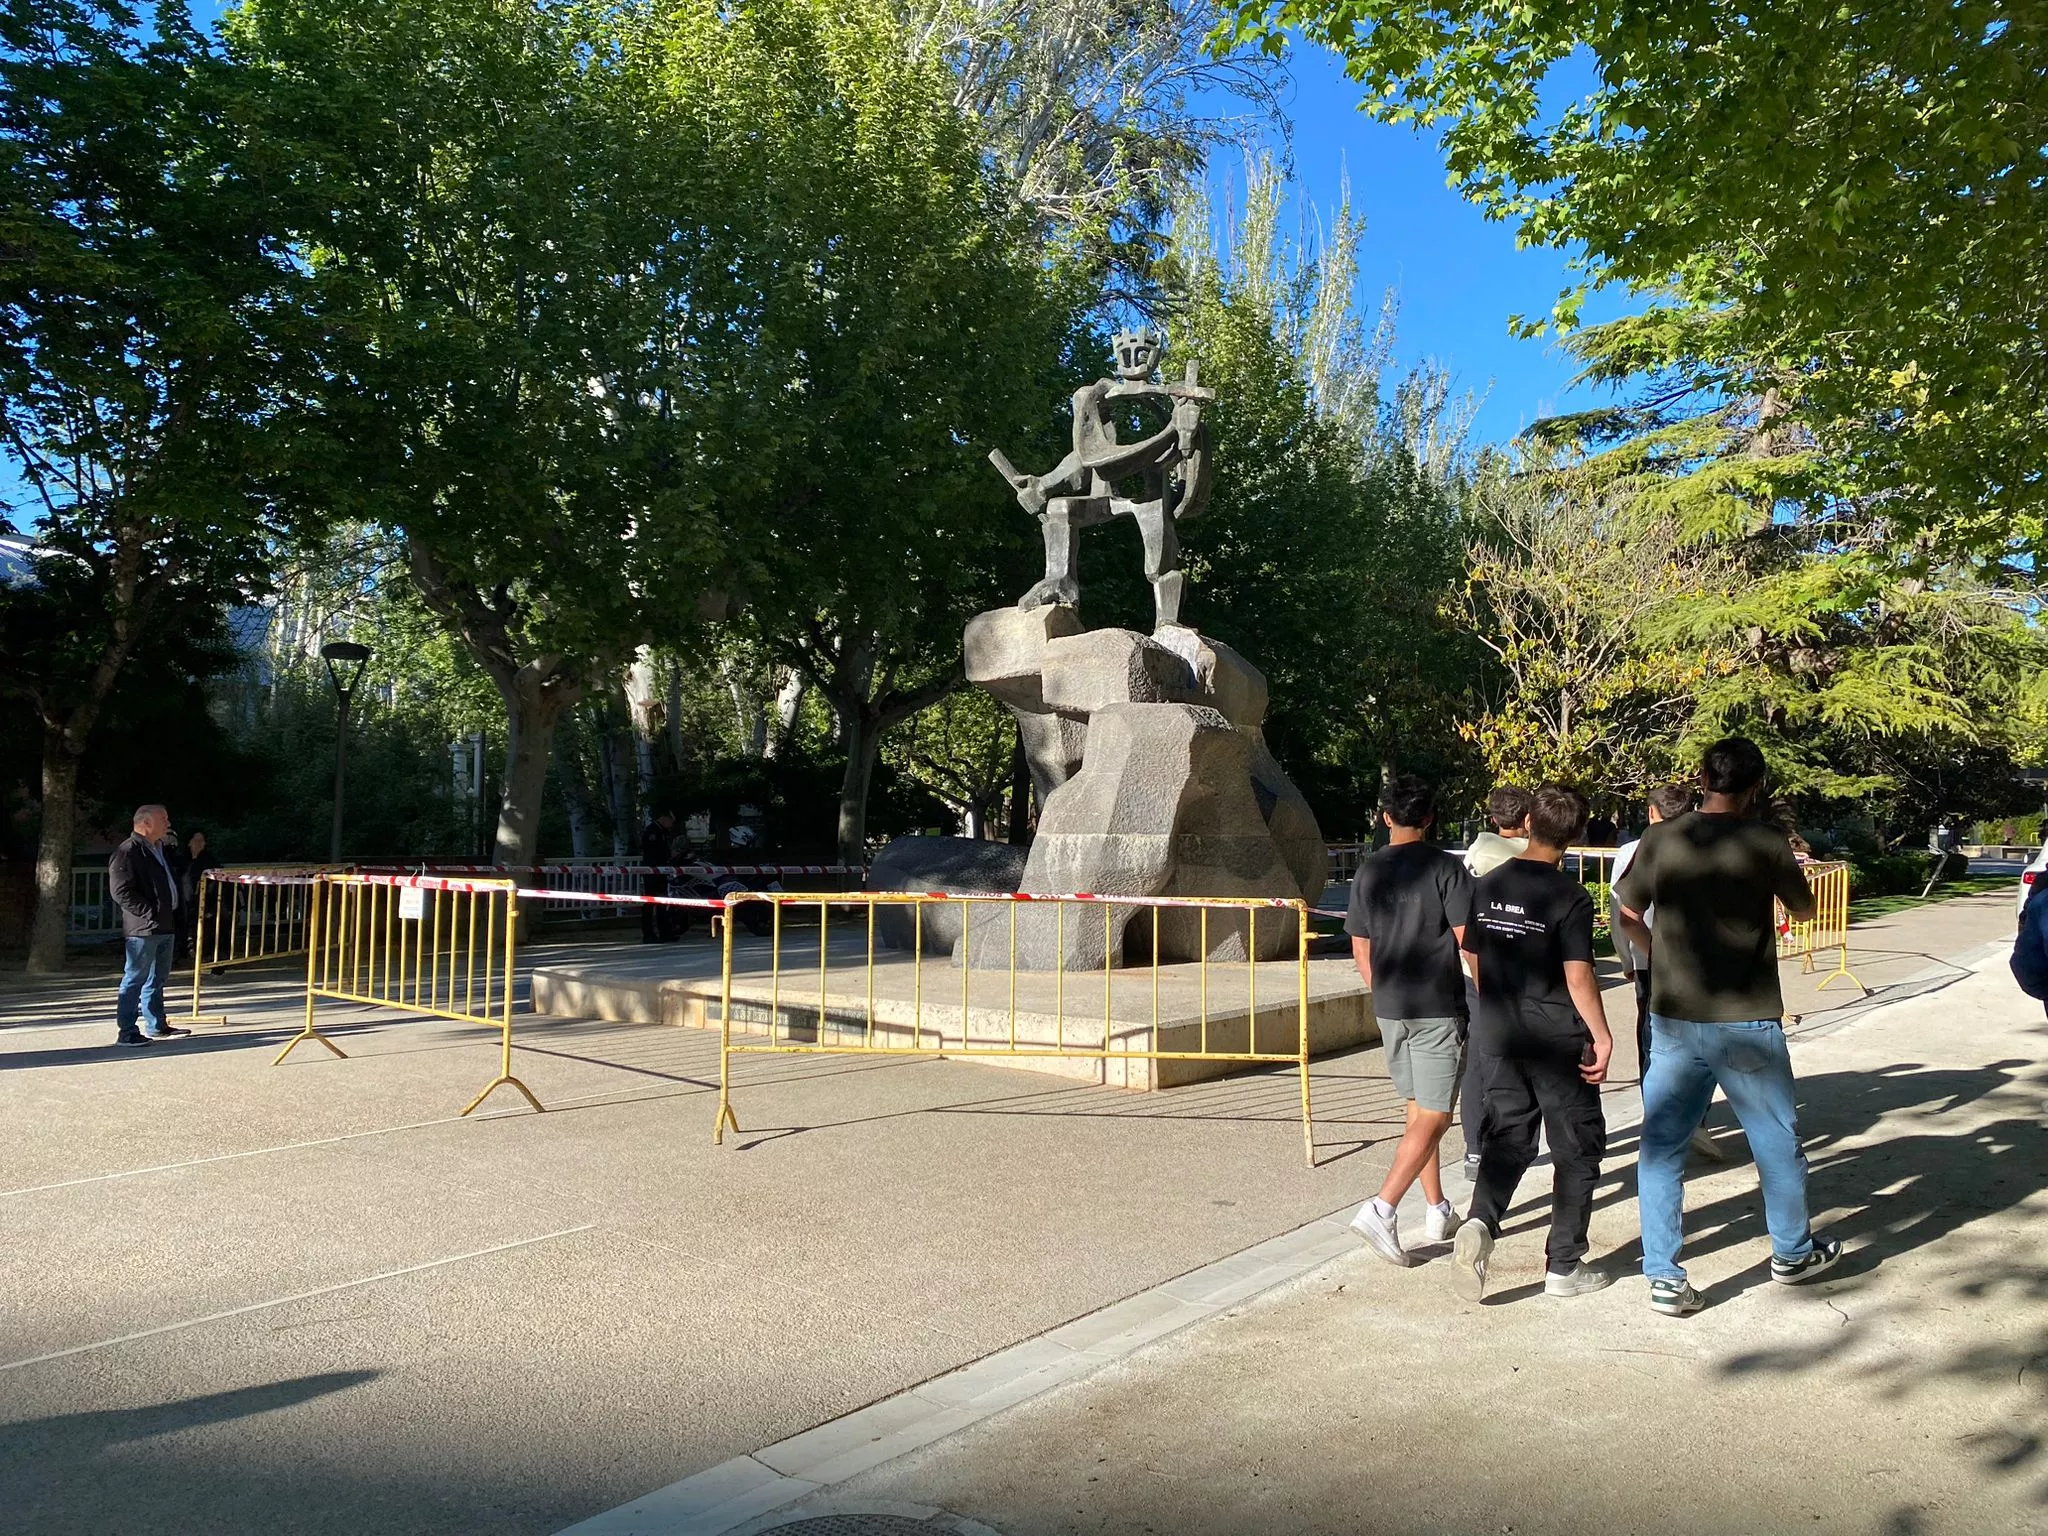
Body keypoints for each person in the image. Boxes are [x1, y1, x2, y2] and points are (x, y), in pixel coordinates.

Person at [1615, 736, 1841, 1317]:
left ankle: (1663, 1275)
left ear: (1702, 777)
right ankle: (1791, 1252)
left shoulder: (1662, 837)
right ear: (1757, 786)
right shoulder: (1765, 841)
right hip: (1747, 1019)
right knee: (1776, 1143)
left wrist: (1657, 959)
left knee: (1661, 1148)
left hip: (1674, 1017)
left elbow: (1628, 911)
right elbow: (1806, 910)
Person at [1453, 783, 1615, 1301]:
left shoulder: (1488, 881)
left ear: (1527, 824)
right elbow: (1578, 977)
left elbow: (1473, 955)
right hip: (1555, 1038)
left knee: (1508, 1137)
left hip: (1499, 1031)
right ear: (1577, 834)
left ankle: (1480, 1222)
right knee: (1577, 1147)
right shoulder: (1570, 897)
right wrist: (1603, 1035)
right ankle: (1564, 1265)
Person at [1345, 775, 1474, 1266]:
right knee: (1438, 1114)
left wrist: (1380, 988)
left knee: (1419, 1107)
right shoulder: (1447, 869)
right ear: (1430, 818)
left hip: (1390, 1004)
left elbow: (1361, 945)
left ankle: (1437, 1206)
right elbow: (1467, 939)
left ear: (1385, 818)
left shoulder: (1368, 870)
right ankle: (1382, 1208)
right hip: (1437, 1004)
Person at [1458, 785, 1532, 1178]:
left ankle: (1474, 1144)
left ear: (1492, 819)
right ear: (1528, 820)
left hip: (1473, 970)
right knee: (1511, 1060)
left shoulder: (1473, 854)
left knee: (1478, 1059)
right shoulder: (1523, 860)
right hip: (1511, 974)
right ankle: (1505, 1141)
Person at [107, 804, 190, 1045]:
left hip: (165, 923)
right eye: (162, 818)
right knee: (135, 978)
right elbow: (121, 891)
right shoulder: (128, 851)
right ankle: (127, 1031)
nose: (168, 823)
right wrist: (149, 912)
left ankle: (156, 1024)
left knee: (158, 978)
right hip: (144, 927)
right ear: (145, 823)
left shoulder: (159, 849)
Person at [173, 828, 217, 963]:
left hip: (204, 901)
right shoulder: (180, 861)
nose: (199, 843)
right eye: (196, 840)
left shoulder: (210, 861)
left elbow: (214, 884)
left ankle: (203, 954)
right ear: (189, 842)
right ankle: (181, 954)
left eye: (202, 841)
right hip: (182, 902)